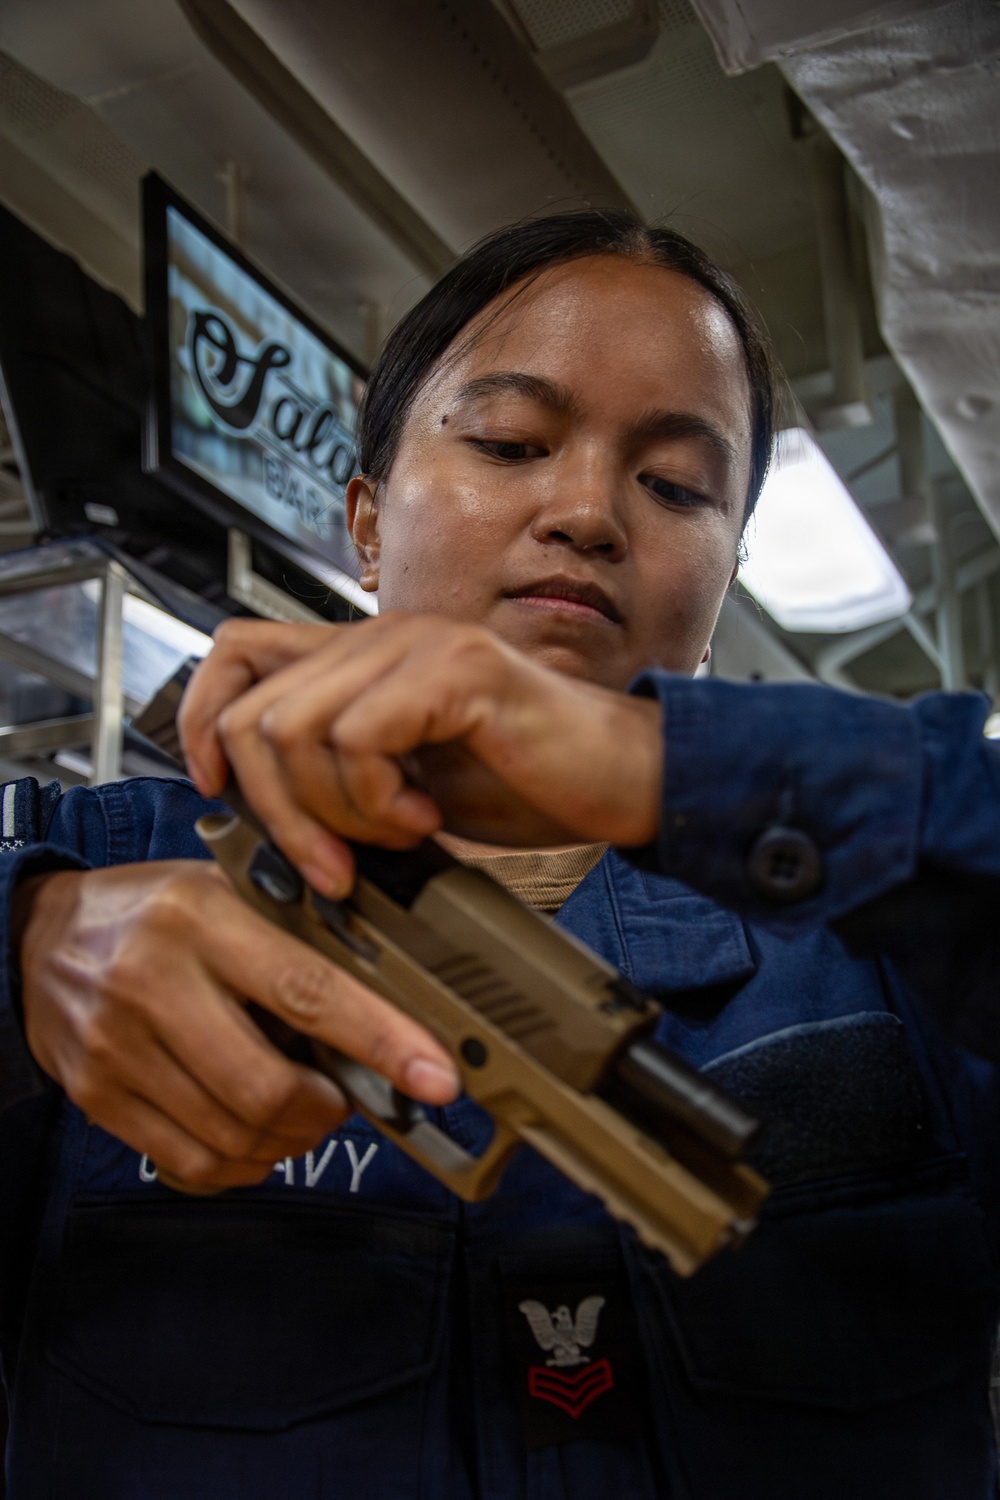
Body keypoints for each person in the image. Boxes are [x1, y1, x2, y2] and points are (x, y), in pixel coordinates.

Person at [1, 211, 999, 1500]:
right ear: (364, 524)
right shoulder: (104, 878)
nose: (586, 511)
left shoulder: (879, 951)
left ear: (725, 574)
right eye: (512, 444)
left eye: (679, 486)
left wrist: (665, 765)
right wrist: (23, 944)